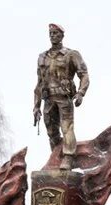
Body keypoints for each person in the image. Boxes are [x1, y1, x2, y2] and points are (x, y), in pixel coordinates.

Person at [33, 23, 89, 170]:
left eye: (56, 33)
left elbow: (84, 75)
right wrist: (36, 106)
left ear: (62, 36)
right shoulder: (42, 57)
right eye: (51, 33)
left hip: (64, 98)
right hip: (48, 99)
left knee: (67, 128)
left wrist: (80, 93)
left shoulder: (71, 54)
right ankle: (56, 156)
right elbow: (39, 83)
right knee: (51, 131)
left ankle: (68, 157)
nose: (53, 36)